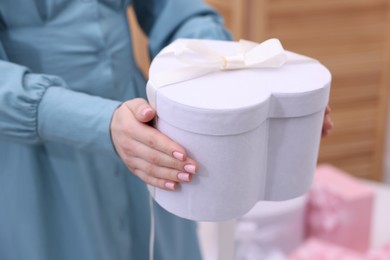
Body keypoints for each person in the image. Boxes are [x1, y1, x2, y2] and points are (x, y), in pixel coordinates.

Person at [0, 1, 333, 260]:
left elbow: (178, 12)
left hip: (147, 125)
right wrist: (97, 121)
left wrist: (227, 72)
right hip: (39, 146)